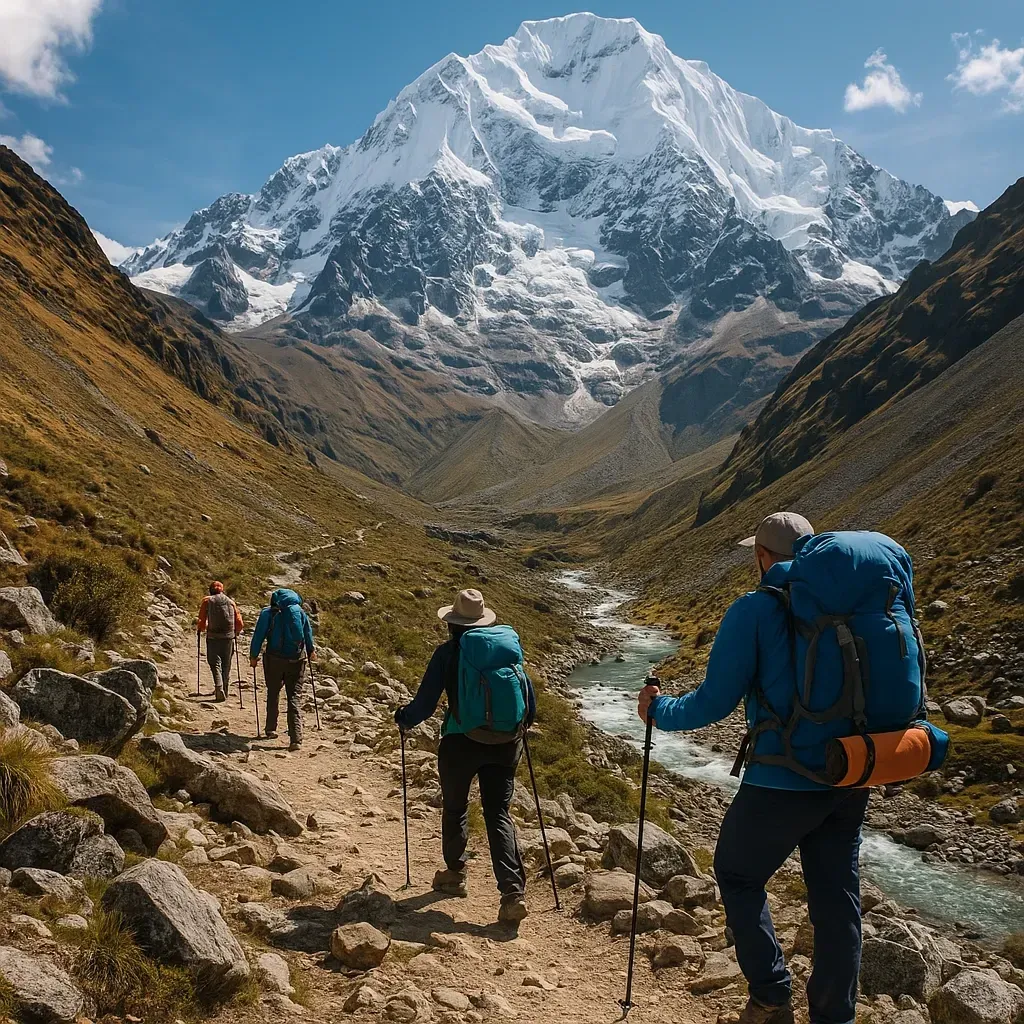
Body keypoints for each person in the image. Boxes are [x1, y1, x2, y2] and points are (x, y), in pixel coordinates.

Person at [638, 512, 874, 1024]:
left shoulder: (754, 608)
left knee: (737, 872)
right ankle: (835, 1016)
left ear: (763, 556)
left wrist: (658, 710)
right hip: (852, 771)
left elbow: (713, 703)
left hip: (782, 777)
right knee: (837, 898)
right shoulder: (852, 602)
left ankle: (770, 996)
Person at [394, 588, 535, 925]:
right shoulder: (506, 648)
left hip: (460, 742)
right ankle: (512, 893)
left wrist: (403, 718)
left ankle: (455, 874)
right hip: (506, 743)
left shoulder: (448, 653)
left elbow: (425, 704)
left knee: (456, 807)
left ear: (452, 623)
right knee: (497, 813)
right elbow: (528, 700)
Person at [249, 588, 314, 751]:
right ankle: (296, 739)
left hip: (274, 659)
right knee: (294, 697)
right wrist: (311, 651)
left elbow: (259, 635)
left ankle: (271, 728)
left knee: (273, 691)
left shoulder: (267, 614)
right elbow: (307, 633)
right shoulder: (300, 612)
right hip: (296, 660)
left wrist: (253, 656)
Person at [197, 582, 243, 702]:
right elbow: (239, 622)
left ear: (210, 590)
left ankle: (218, 687)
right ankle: (225, 691)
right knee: (226, 664)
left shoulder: (207, 601)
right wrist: (236, 632)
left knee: (214, 663)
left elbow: (202, 619)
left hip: (213, 637)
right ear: (222, 591)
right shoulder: (231, 602)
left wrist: (200, 629)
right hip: (228, 638)